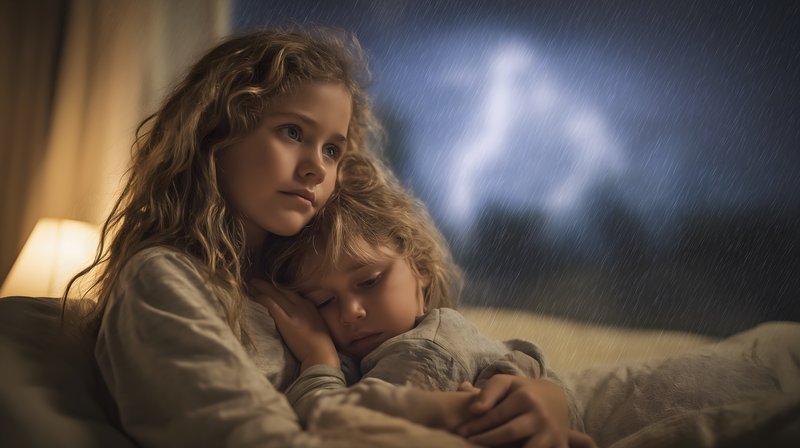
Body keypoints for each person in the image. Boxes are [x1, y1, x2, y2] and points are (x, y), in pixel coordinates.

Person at [63, 27, 385, 447]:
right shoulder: (160, 281)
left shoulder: (317, 288)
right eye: (293, 132)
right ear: (216, 132)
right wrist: (320, 362)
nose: (317, 169)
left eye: (331, 150)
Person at [253, 153, 594, 448]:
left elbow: (337, 425)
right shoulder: (439, 340)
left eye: (369, 281)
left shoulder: (422, 349)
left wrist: (318, 360)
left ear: (421, 267)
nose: (350, 312)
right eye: (323, 301)